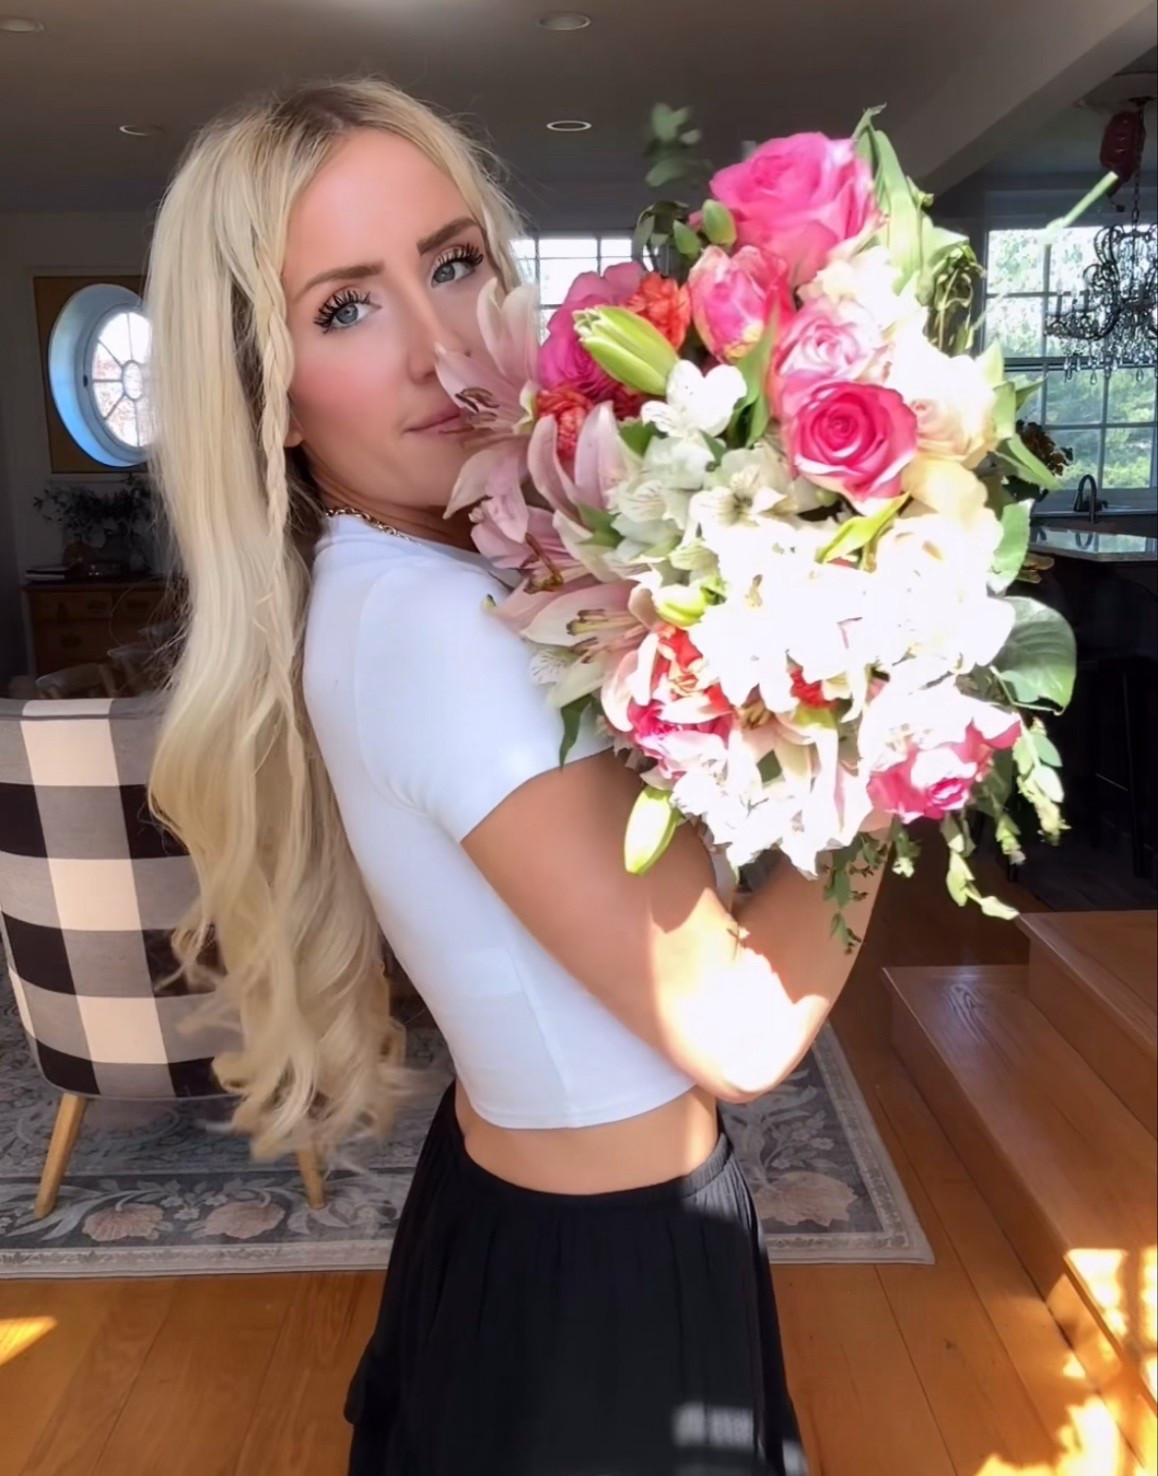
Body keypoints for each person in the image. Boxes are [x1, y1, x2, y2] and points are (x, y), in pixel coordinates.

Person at [146, 77, 883, 1476]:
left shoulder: (426, 575)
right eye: (344, 309)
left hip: (528, 1221)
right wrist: (891, 741)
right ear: (268, 394)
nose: (442, 350)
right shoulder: (438, 629)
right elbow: (738, 1030)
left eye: (451, 263)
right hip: (601, 1274)